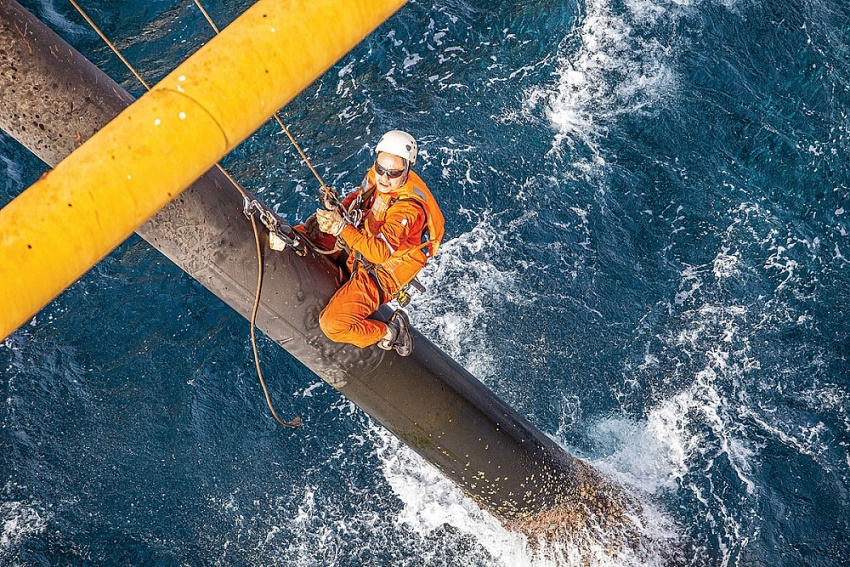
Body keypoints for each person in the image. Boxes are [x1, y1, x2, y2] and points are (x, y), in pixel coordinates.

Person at [306, 130, 444, 356]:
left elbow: (380, 253)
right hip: (362, 245)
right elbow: (358, 198)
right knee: (306, 232)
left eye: (392, 173)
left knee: (333, 324)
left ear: (407, 170)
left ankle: (392, 332)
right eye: (380, 169)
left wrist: (341, 228)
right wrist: (335, 210)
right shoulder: (379, 179)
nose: (384, 177)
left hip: (379, 272)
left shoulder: (408, 209)